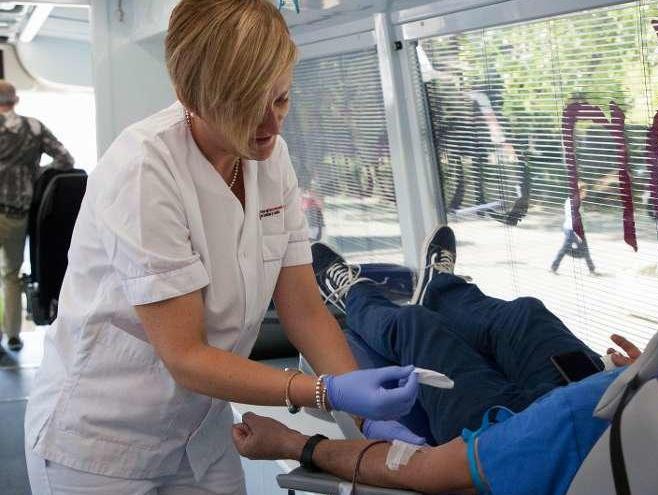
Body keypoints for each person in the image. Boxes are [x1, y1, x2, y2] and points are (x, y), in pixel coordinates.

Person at [233, 178, 658, 494]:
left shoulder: (597, 409)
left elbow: (426, 472)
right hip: (606, 396)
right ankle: (441, 286)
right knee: (527, 315)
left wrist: (294, 442)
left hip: (535, 428)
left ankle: (355, 294)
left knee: (418, 331)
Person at [24, 2, 417, 493]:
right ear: (194, 95)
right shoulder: (145, 169)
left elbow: (304, 310)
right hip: (104, 442)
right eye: (250, 109)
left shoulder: (270, 157)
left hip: (202, 429)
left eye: (281, 100)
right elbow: (185, 354)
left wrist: (363, 418)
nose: (272, 127)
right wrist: (325, 390)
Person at [0, 81, 73, 353]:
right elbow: (65, 159)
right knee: (10, 275)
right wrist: (35, 174)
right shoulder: (34, 128)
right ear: (15, 100)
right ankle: (13, 335)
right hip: (16, 214)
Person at [551, 180, 596, 274]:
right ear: (580, 191)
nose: (586, 193)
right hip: (573, 230)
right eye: (585, 191)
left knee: (584, 250)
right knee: (576, 250)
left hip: (572, 229)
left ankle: (592, 269)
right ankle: (557, 263)